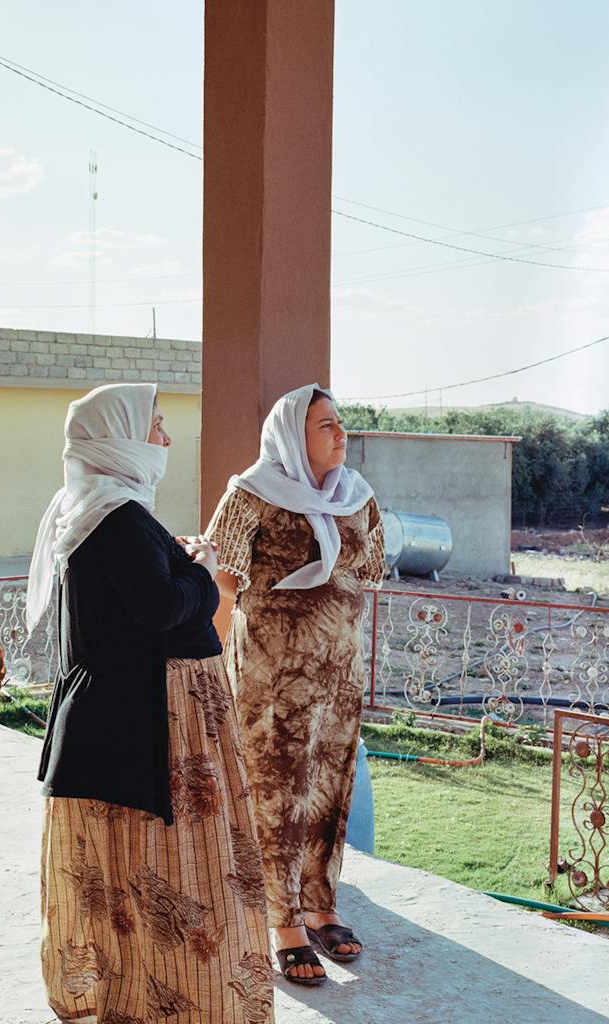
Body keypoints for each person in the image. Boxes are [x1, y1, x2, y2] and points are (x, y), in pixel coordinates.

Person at [29, 383, 274, 1024]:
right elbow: (162, 607)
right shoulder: (117, 515)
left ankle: (138, 995)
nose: (165, 438)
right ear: (119, 440)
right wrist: (205, 574)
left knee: (133, 868)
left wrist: (181, 564)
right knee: (178, 870)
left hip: (138, 709)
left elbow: (139, 598)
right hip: (162, 713)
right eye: (155, 427)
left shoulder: (103, 510)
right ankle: (186, 1004)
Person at [204, 384, 386, 987]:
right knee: (277, 786)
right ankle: (281, 919)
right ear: (291, 436)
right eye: (325, 425)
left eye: (339, 423)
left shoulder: (357, 498)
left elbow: (371, 571)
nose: (340, 434)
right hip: (269, 673)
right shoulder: (251, 495)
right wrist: (214, 660)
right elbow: (222, 581)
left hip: (338, 673)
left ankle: (320, 902)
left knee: (330, 783)